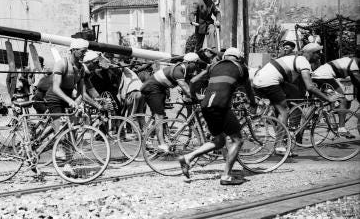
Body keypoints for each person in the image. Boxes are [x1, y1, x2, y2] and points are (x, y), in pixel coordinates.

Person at [178, 48, 257, 185]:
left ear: (224, 57)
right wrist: (253, 103)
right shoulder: (241, 67)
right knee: (237, 140)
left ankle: (188, 157)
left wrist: (194, 97)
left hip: (206, 105)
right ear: (238, 58)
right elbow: (248, 88)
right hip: (221, 105)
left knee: (219, 141)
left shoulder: (213, 66)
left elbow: (193, 81)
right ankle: (226, 176)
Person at [252, 43, 336, 152]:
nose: (320, 55)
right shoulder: (304, 62)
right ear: (311, 53)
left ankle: (286, 137)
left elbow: (303, 83)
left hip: (261, 80)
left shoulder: (296, 58)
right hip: (268, 81)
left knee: (292, 96)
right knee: (284, 111)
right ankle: (279, 144)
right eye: (318, 53)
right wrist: (327, 98)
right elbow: (310, 87)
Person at [140, 53, 201, 151]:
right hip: (152, 88)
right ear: (189, 63)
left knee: (162, 115)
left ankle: (151, 135)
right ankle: (161, 144)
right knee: (159, 116)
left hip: (160, 88)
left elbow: (189, 87)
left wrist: (194, 96)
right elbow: (186, 88)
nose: (197, 66)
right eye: (196, 63)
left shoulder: (185, 71)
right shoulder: (179, 70)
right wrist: (197, 97)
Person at [312, 52, 360, 135]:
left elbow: (355, 81)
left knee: (333, 99)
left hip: (317, 75)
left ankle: (304, 126)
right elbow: (357, 79)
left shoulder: (348, 61)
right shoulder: (354, 64)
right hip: (325, 76)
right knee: (342, 100)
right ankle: (341, 128)